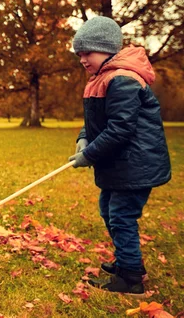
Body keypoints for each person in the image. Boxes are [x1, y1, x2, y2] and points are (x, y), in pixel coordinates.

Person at [68, 16, 171, 297]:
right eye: (79, 54)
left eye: (87, 52)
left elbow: (120, 129)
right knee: (109, 211)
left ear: (106, 49)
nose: (82, 59)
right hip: (120, 165)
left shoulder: (122, 79)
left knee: (121, 217)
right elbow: (97, 121)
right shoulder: (102, 78)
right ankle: (127, 261)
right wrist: (84, 138)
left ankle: (131, 279)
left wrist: (89, 154)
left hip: (136, 165)